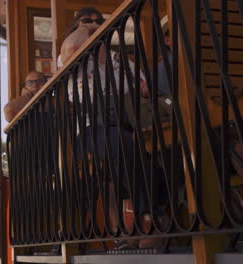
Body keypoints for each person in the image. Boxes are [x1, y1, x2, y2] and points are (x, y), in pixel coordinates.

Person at [59, 7, 162, 250]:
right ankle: (146, 219)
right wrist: (86, 28)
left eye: (99, 21)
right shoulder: (72, 53)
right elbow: (73, 48)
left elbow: (145, 88)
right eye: (87, 20)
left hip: (127, 122)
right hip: (91, 126)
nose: (95, 23)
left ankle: (141, 224)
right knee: (122, 144)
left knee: (152, 150)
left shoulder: (120, 61)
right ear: (76, 27)